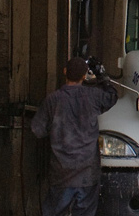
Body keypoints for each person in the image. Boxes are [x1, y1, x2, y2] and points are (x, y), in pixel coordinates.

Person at [31, 57, 118, 216]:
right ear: (84, 76)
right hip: (87, 174)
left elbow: (37, 130)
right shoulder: (93, 96)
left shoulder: (53, 100)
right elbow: (112, 95)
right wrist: (101, 75)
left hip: (61, 174)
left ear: (64, 72)